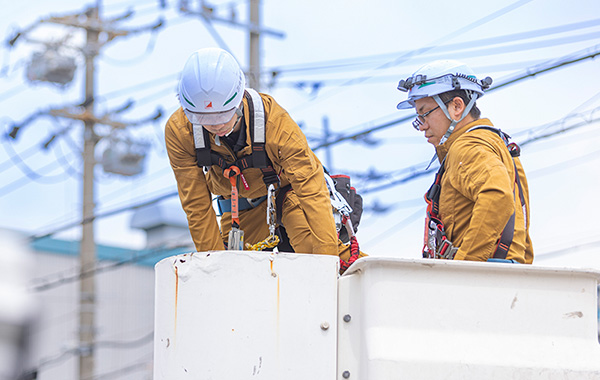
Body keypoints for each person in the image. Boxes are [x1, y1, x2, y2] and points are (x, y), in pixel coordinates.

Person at [165, 47, 363, 264]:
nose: (215, 125)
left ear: (239, 99)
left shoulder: (274, 123)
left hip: (288, 193)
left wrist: (327, 264)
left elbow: (310, 189)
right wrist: (212, 266)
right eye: (202, 118)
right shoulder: (180, 132)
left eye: (223, 114)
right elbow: (196, 205)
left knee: (315, 248)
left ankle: (384, 282)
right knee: (232, 268)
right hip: (239, 207)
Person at [396, 59, 533, 264]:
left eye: (424, 114)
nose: (422, 126)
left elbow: (497, 197)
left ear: (457, 106)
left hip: (484, 277)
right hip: (503, 272)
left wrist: (464, 267)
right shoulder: (496, 143)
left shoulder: (467, 147)